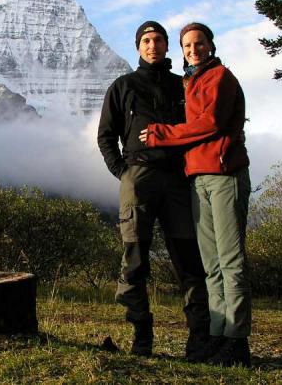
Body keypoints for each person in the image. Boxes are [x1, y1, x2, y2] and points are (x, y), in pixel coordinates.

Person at [139, 22, 252, 367]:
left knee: (230, 261)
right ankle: (218, 334)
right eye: (187, 45)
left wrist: (162, 134)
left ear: (210, 45)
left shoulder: (221, 78)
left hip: (225, 175)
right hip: (198, 177)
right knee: (211, 265)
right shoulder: (192, 82)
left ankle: (237, 341)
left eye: (198, 43)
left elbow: (209, 124)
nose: (193, 50)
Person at [97, 21, 210, 357]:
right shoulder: (122, 86)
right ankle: (141, 335)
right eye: (146, 40)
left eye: (159, 40)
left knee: (189, 261)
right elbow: (106, 136)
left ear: (166, 46)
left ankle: (199, 339)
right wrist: (124, 173)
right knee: (134, 262)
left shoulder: (182, 86)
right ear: (138, 47)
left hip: (177, 181)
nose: (153, 45)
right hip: (139, 179)